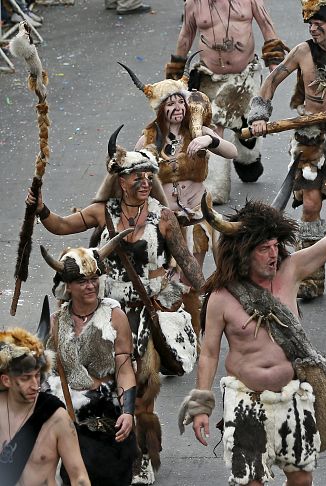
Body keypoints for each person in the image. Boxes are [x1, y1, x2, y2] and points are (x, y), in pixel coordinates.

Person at [176, 174, 326, 485]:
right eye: (263, 249)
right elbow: (209, 353)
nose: (273, 255)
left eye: (275, 246)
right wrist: (202, 403)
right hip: (247, 403)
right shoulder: (221, 298)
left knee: (301, 479)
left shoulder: (291, 270)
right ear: (243, 252)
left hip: (292, 398)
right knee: (251, 482)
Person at [27, 127, 205, 484]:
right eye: (136, 175)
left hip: (151, 312)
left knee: (142, 389)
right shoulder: (102, 212)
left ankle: (141, 456)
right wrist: (40, 207)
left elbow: (188, 265)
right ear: (120, 181)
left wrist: (212, 293)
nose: (144, 181)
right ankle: (111, 448)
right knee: (107, 381)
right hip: (108, 312)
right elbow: (61, 225)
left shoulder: (163, 217)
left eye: (148, 175)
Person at [249, 0, 326, 299]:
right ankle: (311, 275)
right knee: (311, 204)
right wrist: (258, 116)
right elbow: (273, 79)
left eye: (319, 24)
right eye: (310, 24)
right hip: (312, 140)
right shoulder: (303, 52)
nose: (313, 29)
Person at [120, 58, 238, 331]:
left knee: (190, 279)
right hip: (163, 220)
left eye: (180, 102)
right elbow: (128, 173)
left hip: (196, 218)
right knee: (167, 281)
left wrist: (210, 140)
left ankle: (194, 331)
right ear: (160, 109)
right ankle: (172, 330)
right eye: (170, 104)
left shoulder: (197, 131)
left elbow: (231, 152)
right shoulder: (148, 139)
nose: (176, 108)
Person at [41, 234, 139, 484]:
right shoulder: (56, 323)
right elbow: (45, 377)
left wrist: (128, 412)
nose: (90, 286)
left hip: (111, 419)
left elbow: (125, 368)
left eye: (94, 279)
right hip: (74, 426)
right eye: (82, 281)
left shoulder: (114, 315)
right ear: (68, 286)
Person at [168, 0, 287, 204]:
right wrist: (175, 77)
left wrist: (274, 64)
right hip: (210, 78)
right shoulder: (194, 3)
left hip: (245, 77)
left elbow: (267, 27)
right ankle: (215, 188)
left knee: (246, 129)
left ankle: (247, 159)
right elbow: (186, 36)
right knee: (213, 128)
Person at [0, 328, 90, 486]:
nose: (36, 385)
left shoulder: (56, 417)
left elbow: (79, 477)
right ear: (6, 380)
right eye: (26, 378)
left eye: (37, 376)